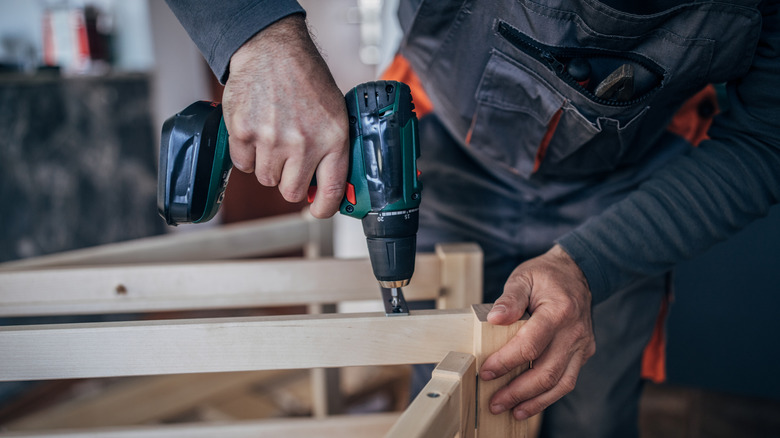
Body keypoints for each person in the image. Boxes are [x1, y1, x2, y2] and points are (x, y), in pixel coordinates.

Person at [165, 1, 780, 436]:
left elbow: (766, 141)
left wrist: (594, 264)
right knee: (444, 397)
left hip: (629, 189)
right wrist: (259, 36)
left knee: (596, 414)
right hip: (447, 152)